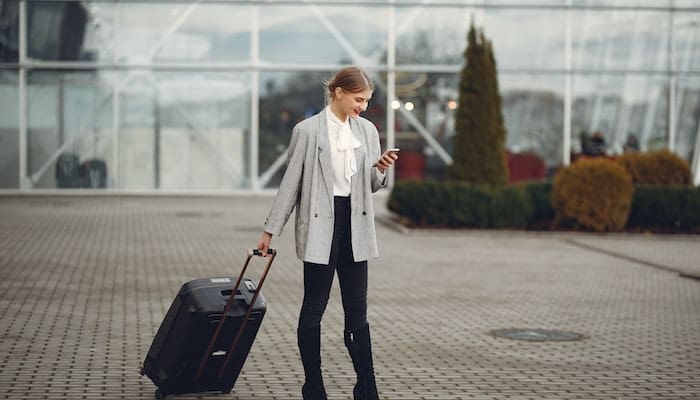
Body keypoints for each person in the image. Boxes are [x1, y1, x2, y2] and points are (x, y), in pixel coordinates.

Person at [256, 66, 397, 400]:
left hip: (356, 226)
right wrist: (269, 230)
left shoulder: (367, 131)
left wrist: (380, 170)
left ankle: (367, 386)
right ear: (338, 92)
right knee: (314, 308)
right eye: (358, 99)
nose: (362, 106)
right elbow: (290, 185)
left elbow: (370, 185)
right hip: (321, 225)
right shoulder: (307, 131)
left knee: (357, 311)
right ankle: (314, 385)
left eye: (366, 100)